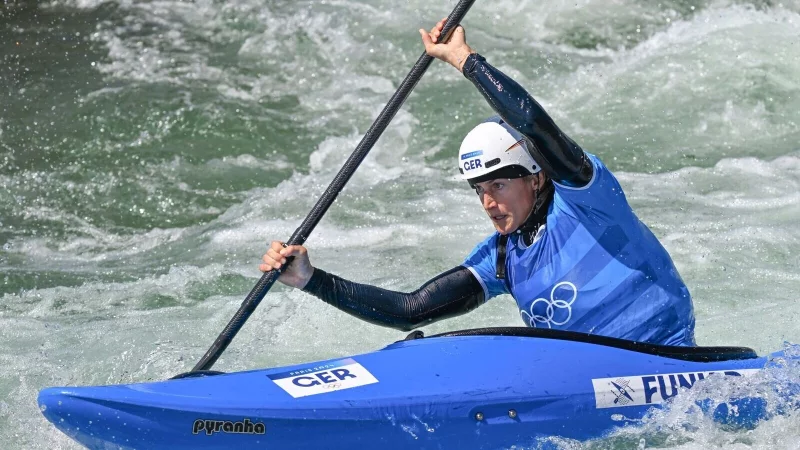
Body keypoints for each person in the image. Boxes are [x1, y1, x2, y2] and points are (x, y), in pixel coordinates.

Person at [260, 19, 696, 346]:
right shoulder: (502, 257)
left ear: (537, 176)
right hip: (583, 381)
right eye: (479, 190)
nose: (488, 202)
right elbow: (410, 310)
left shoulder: (587, 199)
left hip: (670, 364)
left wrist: (465, 61)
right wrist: (310, 279)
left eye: (499, 185)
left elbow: (538, 127)